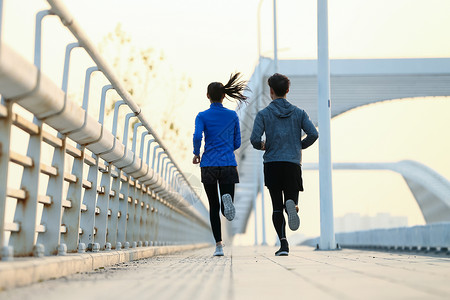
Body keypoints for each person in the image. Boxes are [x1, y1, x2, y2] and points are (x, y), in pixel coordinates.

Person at [250, 73, 318, 256]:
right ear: (288, 90)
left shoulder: (264, 114)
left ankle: (284, 244)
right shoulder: (299, 113)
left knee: (276, 206)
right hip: (292, 163)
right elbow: (313, 134)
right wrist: (298, 145)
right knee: (291, 199)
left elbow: (254, 139)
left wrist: (263, 145)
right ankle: (293, 205)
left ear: (271, 91)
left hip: (272, 163)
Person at [193, 73, 248, 256]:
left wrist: (196, 153)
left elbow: (197, 136)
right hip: (227, 164)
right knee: (226, 206)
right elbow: (237, 143)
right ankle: (228, 204)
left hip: (208, 164)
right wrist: (226, 147)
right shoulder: (232, 116)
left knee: (213, 206)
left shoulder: (202, 116)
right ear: (224, 96)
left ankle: (218, 246)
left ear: (208, 96)